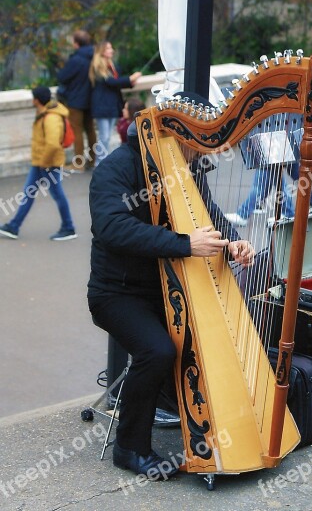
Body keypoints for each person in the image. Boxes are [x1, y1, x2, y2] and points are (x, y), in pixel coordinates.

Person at [87, 120, 255, 480]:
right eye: (193, 145)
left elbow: (211, 218)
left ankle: (192, 416)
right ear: (172, 139)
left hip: (171, 290)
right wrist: (185, 244)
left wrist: (233, 243)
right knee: (158, 351)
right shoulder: (116, 167)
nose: (199, 154)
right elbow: (111, 226)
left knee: (208, 339)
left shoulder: (184, 169)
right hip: (117, 293)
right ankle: (129, 448)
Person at [0, 87, 77, 241]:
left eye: (33, 97)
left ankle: (68, 227)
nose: (32, 100)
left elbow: (53, 144)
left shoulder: (51, 118)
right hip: (41, 162)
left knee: (56, 194)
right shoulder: (46, 113)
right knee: (29, 193)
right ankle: (14, 226)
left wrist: (44, 163)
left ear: (37, 100)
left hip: (47, 163)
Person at [89, 41, 142, 165]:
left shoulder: (111, 65)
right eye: (108, 48)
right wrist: (130, 79)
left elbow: (115, 83)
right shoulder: (97, 66)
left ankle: (103, 161)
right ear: (102, 51)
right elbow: (111, 82)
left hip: (111, 105)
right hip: (102, 106)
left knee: (107, 136)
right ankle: (100, 163)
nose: (111, 50)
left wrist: (129, 82)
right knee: (105, 136)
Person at [57, 30, 96, 171]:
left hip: (75, 99)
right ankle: (92, 160)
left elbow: (62, 77)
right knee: (90, 129)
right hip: (92, 98)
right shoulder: (95, 56)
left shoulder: (76, 59)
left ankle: (78, 164)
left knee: (77, 130)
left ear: (76, 43)